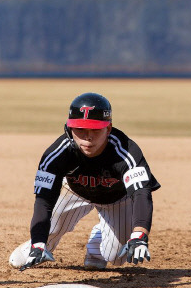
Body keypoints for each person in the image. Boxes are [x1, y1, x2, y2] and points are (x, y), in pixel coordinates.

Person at [9, 93, 160, 271]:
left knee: (118, 257)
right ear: (69, 128)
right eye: (80, 130)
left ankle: (97, 242)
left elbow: (141, 193)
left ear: (108, 129)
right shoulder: (57, 154)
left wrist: (139, 236)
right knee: (23, 257)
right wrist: (38, 243)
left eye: (95, 130)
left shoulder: (126, 151)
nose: (88, 137)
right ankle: (39, 244)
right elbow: (44, 199)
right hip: (74, 191)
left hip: (116, 200)